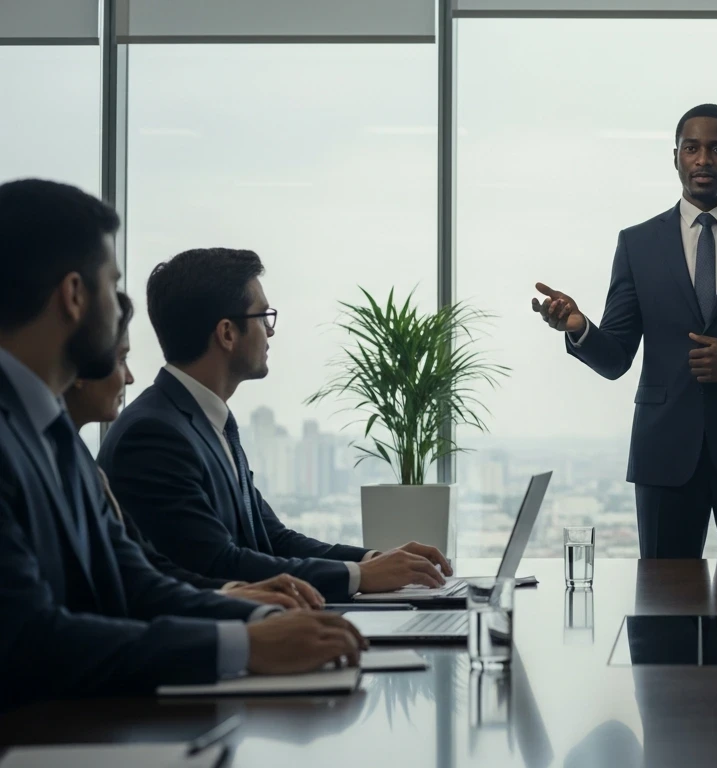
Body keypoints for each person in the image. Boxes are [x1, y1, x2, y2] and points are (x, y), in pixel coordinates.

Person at [0, 179, 364, 709]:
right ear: (75, 296)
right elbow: (31, 641)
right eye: (112, 283)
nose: (123, 305)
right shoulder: (38, 433)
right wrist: (241, 643)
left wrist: (262, 619)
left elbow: (134, 582)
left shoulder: (54, 432)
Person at [531, 104, 717, 558]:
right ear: (675, 157)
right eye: (691, 148)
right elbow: (615, 358)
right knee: (660, 611)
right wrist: (579, 329)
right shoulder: (637, 244)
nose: (703, 159)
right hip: (663, 455)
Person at [99, 247, 452, 603]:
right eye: (263, 316)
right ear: (227, 333)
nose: (270, 332)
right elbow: (216, 564)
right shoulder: (154, 435)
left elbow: (272, 538)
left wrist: (373, 560)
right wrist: (360, 576)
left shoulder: (206, 420)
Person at [67, 292, 322, 610]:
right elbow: (157, 577)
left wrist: (364, 566)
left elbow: (143, 569)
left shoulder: (213, 423)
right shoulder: (152, 433)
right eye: (120, 359)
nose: (130, 377)